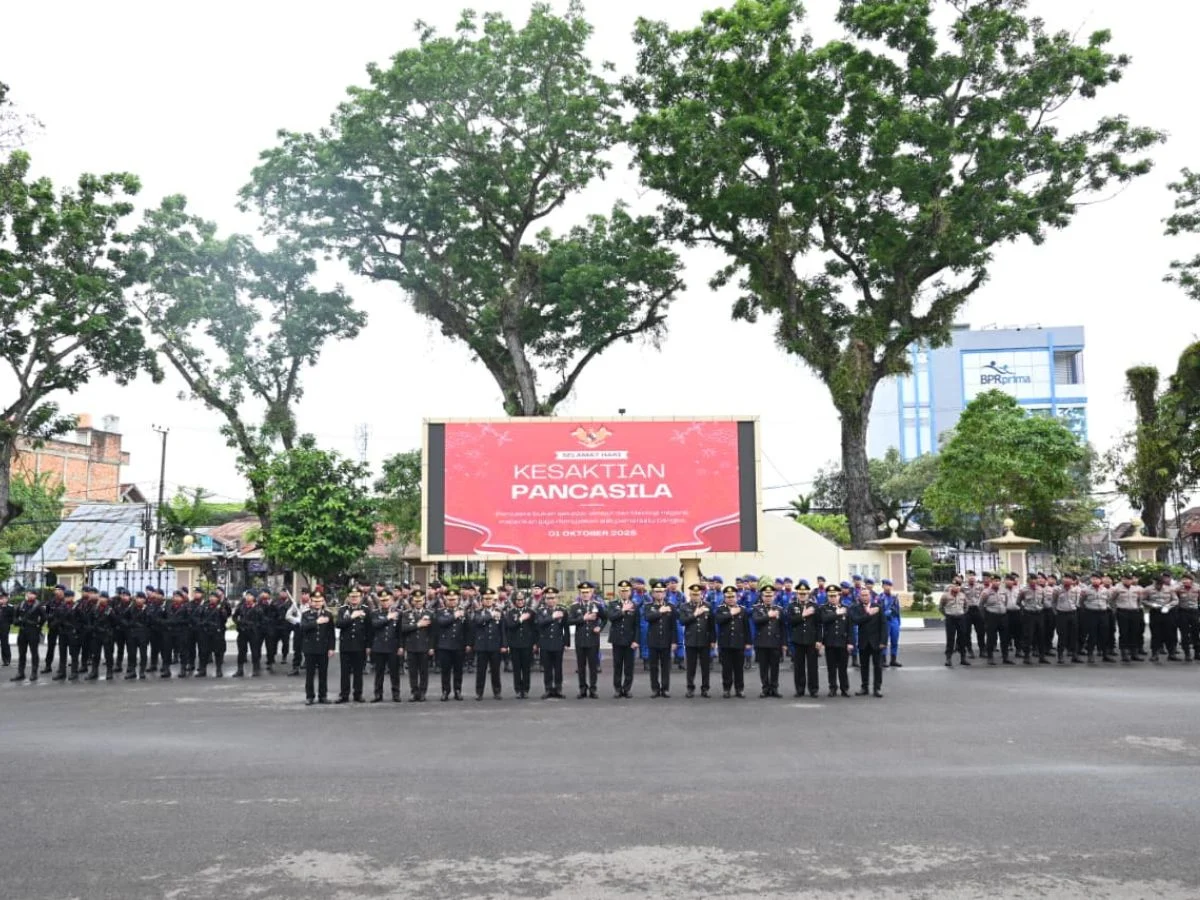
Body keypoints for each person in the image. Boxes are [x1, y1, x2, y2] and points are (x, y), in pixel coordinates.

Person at [567, 581, 606, 699]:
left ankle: (593, 689)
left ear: (592, 592)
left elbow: (605, 618)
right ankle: (582, 689)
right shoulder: (575, 606)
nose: (585, 594)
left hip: (593, 640)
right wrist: (582, 618)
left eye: (587, 592)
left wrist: (600, 627)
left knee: (593, 667)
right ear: (580, 593)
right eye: (583, 592)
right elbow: (569, 621)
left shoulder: (597, 605)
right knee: (581, 667)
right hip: (580, 640)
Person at [678, 582, 715, 698]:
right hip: (691, 640)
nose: (695, 596)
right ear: (690, 594)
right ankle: (690, 688)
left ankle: (705, 688)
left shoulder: (708, 605)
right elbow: (682, 621)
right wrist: (695, 614)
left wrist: (713, 640)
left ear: (702, 594)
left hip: (705, 640)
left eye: (698, 594)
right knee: (691, 667)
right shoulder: (684, 606)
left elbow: (712, 625)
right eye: (693, 594)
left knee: (705, 667)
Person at [715, 585, 751, 698]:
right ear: (725, 598)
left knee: (739, 668)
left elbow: (747, 627)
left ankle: (739, 689)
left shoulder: (743, 610)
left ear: (737, 597)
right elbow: (718, 620)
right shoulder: (721, 609)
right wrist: (731, 613)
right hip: (725, 644)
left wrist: (748, 642)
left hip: (739, 643)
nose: (731, 599)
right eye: (728, 597)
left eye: (733, 597)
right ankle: (726, 689)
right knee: (726, 668)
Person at [300, 592, 337, 705]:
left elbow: (331, 633)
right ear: (311, 601)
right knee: (310, 674)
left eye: (320, 601)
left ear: (323, 602)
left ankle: (323, 696)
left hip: (323, 648)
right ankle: (309, 696)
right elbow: (303, 628)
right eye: (315, 601)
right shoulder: (306, 614)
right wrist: (316, 622)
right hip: (310, 648)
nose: (317, 603)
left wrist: (331, 648)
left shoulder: (328, 615)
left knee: (323, 674)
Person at [643, 581, 678, 698]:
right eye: (657, 592)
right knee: (653, 666)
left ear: (665, 593)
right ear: (652, 593)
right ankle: (655, 688)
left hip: (666, 641)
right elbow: (648, 618)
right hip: (653, 640)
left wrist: (674, 641)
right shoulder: (649, 606)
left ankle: (665, 688)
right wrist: (660, 611)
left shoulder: (671, 606)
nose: (659, 594)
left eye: (661, 591)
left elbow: (674, 626)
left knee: (665, 666)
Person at [337, 589, 372, 703]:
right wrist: (351, 617)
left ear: (360, 597)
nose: (354, 599)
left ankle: (358, 694)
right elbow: (339, 624)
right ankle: (344, 694)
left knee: (358, 672)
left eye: (356, 596)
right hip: (346, 645)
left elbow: (369, 629)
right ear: (348, 597)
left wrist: (368, 646)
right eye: (352, 596)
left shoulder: (365, 610)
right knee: (345, 672)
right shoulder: (343, 610)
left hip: (359, 645)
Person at [471, 587, 506, 701]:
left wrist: (504, 645)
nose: (488, 601)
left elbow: (502, 630)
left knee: (496, 671)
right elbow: (478, 621)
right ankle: (479, 692)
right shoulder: (477, 612)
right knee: (481, 671)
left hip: (495, 645)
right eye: (486, 599)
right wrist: (491, 615)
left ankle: (497, 691)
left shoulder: (500, 612)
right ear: (482, 600)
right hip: (482, 646)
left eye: (490, 599)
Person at [434, 588, 469, 702]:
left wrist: (468, 643)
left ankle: (457, 690)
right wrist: (455, 615)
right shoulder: (441, 611)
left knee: (458, 670)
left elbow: (468, 629)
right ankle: (445, 691)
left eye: (454, 599)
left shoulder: (463, 611)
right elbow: (441, 622)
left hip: (459, 645)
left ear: (458, 599)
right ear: (446, 600)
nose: (452, 601)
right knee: (445, 670)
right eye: (450, 599)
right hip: (445, 645)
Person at [751, 584, 786, 698]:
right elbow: (756, 620)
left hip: (775, 642)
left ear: (774, 596)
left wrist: (784, 643)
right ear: (762, 596)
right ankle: (765, 688)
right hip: (762, 642)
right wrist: (769, 616)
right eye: (766, 596)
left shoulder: (779, 609)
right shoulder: (757, 608)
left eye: (770, 596)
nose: (768, 598)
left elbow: (782, 628)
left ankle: (774, 688)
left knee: (775, 667)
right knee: (763, 667)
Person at [850, 587, 885, 698]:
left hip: (876, 642)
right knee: (864, 666)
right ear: (859, 597)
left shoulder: (878, 607)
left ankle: (877, 688)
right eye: (862, 595)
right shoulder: (856, 608)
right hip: (863, 642)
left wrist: (883, 641)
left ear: (870, 596)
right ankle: (864, 687)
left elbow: (884, 625)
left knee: (878, 666)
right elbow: (856, 620)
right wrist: (868, 614)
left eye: (866, 595)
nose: (864, 597)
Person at [787, 583, 821, 697]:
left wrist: (819, 640)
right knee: (799, 667)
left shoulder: (815, 606)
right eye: (800, 593)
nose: (802, 595)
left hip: (811, 640)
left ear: (808, 594)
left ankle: (813, 689)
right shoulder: (792, 606)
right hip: (798, 640)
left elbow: (818, 624)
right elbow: (790, 621)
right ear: (797, 594)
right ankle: (800, 689)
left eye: (804, 593)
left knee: (812, 667)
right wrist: (804, 615)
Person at [401, 589, 435, 701]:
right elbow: (403, 628)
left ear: (424, 601)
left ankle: (423, 692)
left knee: (424, 671)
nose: (418, 603)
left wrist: (431, 647)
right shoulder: (406, 614)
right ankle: (414, 692)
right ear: (412, 601)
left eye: (420, 600)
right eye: (416, 601)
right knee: (413, 672)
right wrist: (418, 625)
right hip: (411, 646)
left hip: (424, 646)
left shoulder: (430, 613)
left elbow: (433, 633)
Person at [535, 587, 569, 699]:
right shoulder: (541, 610)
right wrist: (552, 617)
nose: (551, 600)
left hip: (558, 643)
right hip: (545, 643)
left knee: (558, 668)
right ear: (545, 599)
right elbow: (539, 623)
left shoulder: (563, 610)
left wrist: (566, 642)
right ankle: (548, 689)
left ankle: (558, 689)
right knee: (547, 668)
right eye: (548, 598)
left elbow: (566, 628)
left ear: (557, 599)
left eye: (553, 598)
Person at [369, 590, 402, 703]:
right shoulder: (375, 613)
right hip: (379, 646)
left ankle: (396, 694)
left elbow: (400, 632)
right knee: (379, 672)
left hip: (393, 646)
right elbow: (374, 625)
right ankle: (378, 694)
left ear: (392, 600)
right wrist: (388, 618)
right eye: (382, 600)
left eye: (387, 600)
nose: (385, 602)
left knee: (394, 672)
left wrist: (401, 646)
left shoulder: (398, 613)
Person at [504, 591, 538, 699]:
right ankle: (518, 689)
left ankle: (526, 689)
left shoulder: (530, 612)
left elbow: (535, 629)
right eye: (518, 600)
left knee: (526, 668)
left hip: (527, 644)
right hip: (515, 644)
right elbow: (510, 626)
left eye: (522, 599)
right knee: (517, 669)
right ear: (514, 601)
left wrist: (535, 643)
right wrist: (520, 619)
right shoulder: (510, 613)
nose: (520, 601)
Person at [819, 594, 852, 697]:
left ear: (839, 596)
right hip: (830, 642)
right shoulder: (824, 608)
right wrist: (837, 613)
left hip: (843, 642)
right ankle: (832, 688)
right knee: (831, 668)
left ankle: (844, 688)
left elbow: (850, 627)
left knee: (843, 667)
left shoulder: (846, 608)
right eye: (830, 596)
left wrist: (850, 642)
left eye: (835, 596)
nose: (833, 598)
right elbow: (824, 619)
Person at [11, 590, 45, 683]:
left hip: (33, 631)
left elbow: (43, 618)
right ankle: (20, 673)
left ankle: (34, 673)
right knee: (22, 653)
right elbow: (15, 616)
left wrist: (38, 627)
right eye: (29, 593)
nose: (30, 595)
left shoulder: (38, 605)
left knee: (34, 652)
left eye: (32, 594)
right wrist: (16, 621)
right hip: (22, 631)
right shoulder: (21, 604)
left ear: (35, 596)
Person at [982, 574, 1016, 666]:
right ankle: (990, 657)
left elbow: (1005, 602)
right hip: (991, 616)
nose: (996, 582)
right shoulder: (986, 592)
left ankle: (1005, 657)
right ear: (991, 581)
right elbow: (981, 605)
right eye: (994, 581)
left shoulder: (1003, 591)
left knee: (1005, 638)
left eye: (998, 580)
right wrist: (985, 617)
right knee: (991, 638)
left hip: (1003, 616)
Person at [1111, 573, 1144, 662]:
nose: (1127, 581)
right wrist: (1115, 609)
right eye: (1125, 579)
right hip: (1122, 611)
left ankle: (1134, 653)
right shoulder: (1117, 589)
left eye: (1129, 579)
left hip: (1134, 612)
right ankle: (1124, 653)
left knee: (1134, 632)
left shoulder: (1136, 589)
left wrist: (1137, 608)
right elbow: (1112, 600)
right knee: (1124, 633)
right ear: (1122, 579)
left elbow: (1139, 600)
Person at [1052, 574, 1083, 665]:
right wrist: (1055, 612)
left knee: (1074, 635)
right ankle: (1060, 655)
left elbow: (1078, 602)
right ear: (1062, 579)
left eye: (1069, 578)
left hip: (1073, 613)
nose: (1067, 580)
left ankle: (1074, 655)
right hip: (1061, 614)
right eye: (1065, 578)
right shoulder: (1057, 589)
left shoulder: (1076, 589)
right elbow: (1053, 602)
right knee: (1062, 635)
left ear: (1072, 580)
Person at [86, 592, 117, 681]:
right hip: (96, 635)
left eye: (104, 597)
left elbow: (115, 622)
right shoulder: (94, 608)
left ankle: (109, 672)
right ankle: (94, 672)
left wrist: (109, 631)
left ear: (107, 599)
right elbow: (89, 619)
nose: (102, 599)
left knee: (108, 655)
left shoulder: (110, 610)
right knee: (95, 655)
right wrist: (91, 627)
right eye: (101, 597)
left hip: (106, 635)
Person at [124, 592, 154, 680]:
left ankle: (142, 671)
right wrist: (129, 624)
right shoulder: (131, 608)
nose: (139, 600)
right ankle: (132, 671)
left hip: (143, 634)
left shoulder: (148, 608)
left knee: (143, 654)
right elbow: (124, 618)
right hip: (132, 634)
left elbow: (151, 621)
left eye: (141, 598)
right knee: (132, 654)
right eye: (138, 598)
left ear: (144, 600)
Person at [940, 583, 970, 667]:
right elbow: (941, 607)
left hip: (961, 618)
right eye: (955, 586)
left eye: (958, 586)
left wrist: (962, 613)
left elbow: (966, 606)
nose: (956, 587)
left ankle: (963, 658)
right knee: (950, 638)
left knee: (962, 638)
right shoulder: (945, 596)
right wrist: (947, 614)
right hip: (950, 618)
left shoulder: (963, 595)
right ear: (951, 587)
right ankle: (948, 659)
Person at [1173, 574, 1199, 661]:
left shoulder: (1197, 588)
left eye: (1188, 579)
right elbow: (1172, 593)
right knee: (1184, 633)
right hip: (1183, 612)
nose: (1186, 581)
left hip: (1194, 611)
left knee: (1195, 633)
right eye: (1184, 579)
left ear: (1192, 580)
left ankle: (1197, 653)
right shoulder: (1179, 588)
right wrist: (1179, 585)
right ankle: (1187, 653)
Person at [878, 579, 903, 667]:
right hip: (885, 621)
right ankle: (883, 660)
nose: (887, 587)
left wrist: (899, 621)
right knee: (884, 641)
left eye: (889, 585)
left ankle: (893, 660)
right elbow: (878, 610)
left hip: (894, 620)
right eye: (885, 585)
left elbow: (898, 610)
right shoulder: (880, 597)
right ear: (883, 587)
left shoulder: (894, 597)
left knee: (895, 640)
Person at [0, 588, 12, 667]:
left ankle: (6, 659)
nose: (2, 600)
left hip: (4, 627)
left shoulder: (10, 607)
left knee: (4, 643)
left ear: (7, 599)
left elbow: (12, 618)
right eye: (1, 598)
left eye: (4, 598)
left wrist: (7, 624)